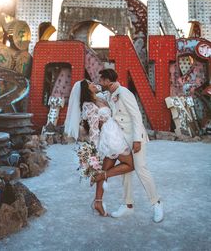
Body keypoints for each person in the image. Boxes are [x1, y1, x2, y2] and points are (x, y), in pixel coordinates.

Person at [98, 69, 164, 223]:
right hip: (121, 139)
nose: (100, 83)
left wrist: (137, 140)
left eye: (102, 80)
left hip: (133, 137)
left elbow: (136, 116)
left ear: (108, 81)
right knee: (126, 171)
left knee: (141, 169)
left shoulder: (124, 92)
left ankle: (157, 203)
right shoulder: (109, 94)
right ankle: (128, 205)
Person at [64, 79, 134, 217]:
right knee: (131, 164)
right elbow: (94, 130)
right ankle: (102, 176)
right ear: (86, 89)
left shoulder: (100, 97)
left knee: (106, 168)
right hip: (110, 139)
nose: (94, 83)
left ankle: (98, 202)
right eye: (90, 83)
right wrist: (95, 151)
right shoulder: (88, 106)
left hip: (115, 132)